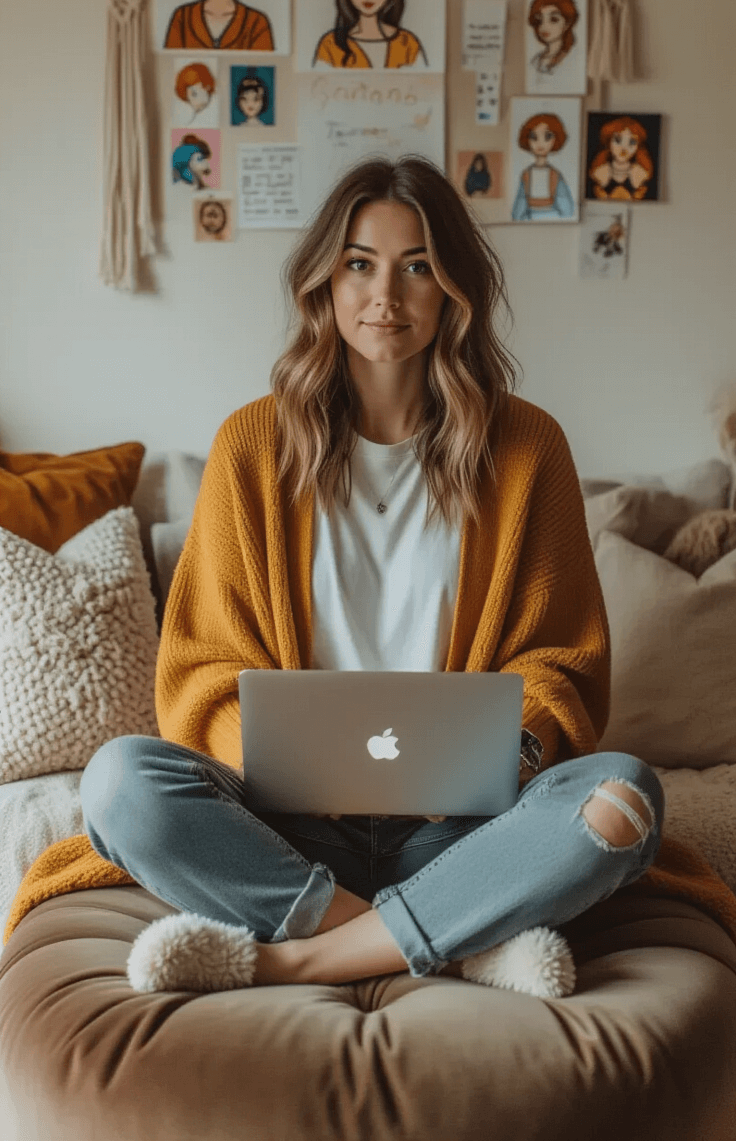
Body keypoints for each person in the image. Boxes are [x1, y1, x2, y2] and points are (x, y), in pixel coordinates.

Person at [78, 155, 667, 996]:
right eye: (360, 263)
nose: (385, 295)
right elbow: (200, 668)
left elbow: (562, 660)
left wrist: (507, 752)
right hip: (284, 824)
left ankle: (298, 954)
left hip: (462, 827)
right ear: (324, 280)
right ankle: (461, 937)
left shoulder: (529, 449)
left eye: (417, 265)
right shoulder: (251, 447)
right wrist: (287, 767)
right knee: (120, 783)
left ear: (455, 287)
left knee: (624, 797)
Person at [510, 113, 576, 220]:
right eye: (534, 137)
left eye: (547, 136)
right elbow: (519, 204)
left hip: (553, 216)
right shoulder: (526, 174)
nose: (540, 143)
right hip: (529, 218)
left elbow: (566, 207)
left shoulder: (555, 174)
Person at [588, 117, 653, 200]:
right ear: (609, 142)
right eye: (618, 140)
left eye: (632, 142)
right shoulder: (600, 171)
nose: (624, 148)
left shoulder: (639, 172)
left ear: (638, 147)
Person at [527, 0, 578, 75]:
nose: (544, 26)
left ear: (567, 24)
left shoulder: (570, 58)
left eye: (553, 19)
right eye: (539, 20)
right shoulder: (535, 61)